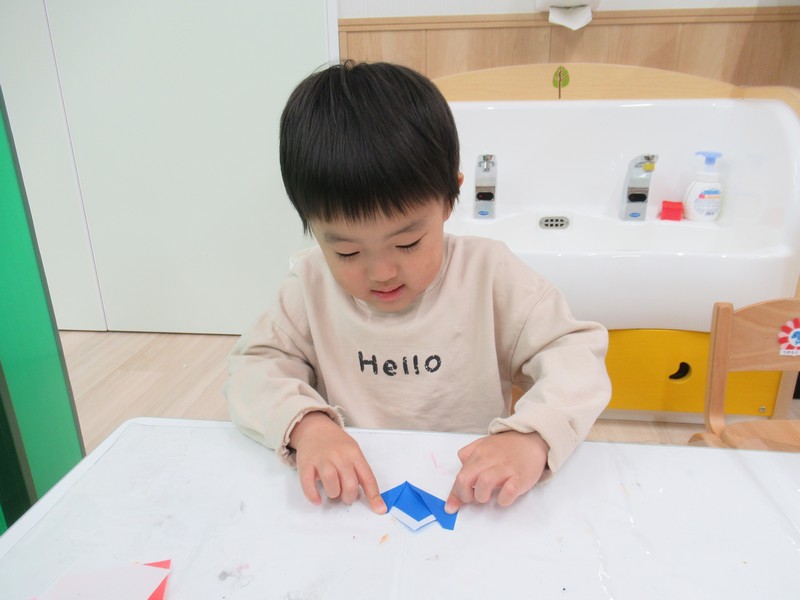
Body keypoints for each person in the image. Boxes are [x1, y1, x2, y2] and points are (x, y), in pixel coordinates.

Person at [225, 60, 611, 516]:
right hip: (355, 498)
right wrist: (307, 425)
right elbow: (253, 368)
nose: (382, 272)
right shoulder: (309, 285)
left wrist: (532, 435)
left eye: (407, 243)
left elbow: (575, 353)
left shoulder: (489, 273)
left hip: (470, 490)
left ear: (450, 198)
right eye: (347, 251)